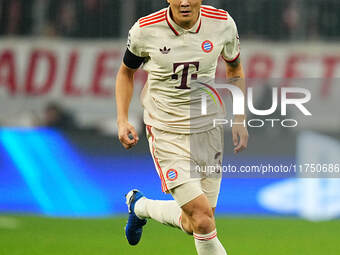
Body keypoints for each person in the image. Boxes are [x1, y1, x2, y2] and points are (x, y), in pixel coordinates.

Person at [115, 0, 248, 254]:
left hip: (208, 131)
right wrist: (122, 120)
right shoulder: (145, 30)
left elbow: (234, 67)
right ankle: (140, 206)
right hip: (166, 131)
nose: (184, 2)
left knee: (195, 223)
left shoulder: (222, 23)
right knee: (202, 218)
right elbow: (126, 73)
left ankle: (139, 206)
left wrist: (239, 117)